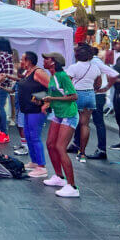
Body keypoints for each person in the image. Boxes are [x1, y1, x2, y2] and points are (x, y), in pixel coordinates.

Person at [41, 52, 80, 198]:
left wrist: (51, 98)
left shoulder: (62, 76)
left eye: (47, 59)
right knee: (50, 144)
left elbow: (74, 96)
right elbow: (57, 95)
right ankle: (59, 177)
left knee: (60, 147)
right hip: (58, 113)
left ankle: (73, 186)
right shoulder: (53, 77)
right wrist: (47, 103)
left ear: (53, 62)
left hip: (69, 115)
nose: (44, 61)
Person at [16, 52, 49, 177]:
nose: (20, 62)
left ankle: (42, 167)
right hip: (27, 109)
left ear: (28, 61)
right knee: (29, 136)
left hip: (36, 110)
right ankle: (35, 162)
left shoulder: (39, 72)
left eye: (22, 59)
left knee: (34, 137)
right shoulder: (27, 72)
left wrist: (45, 102)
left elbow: (52, 87)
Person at [0, 38, 14, 144]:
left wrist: (2, 84)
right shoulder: (6, 56)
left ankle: (3, 132)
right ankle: (0, 132)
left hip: (0, 86)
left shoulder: (3, 56)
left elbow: (6, 73)